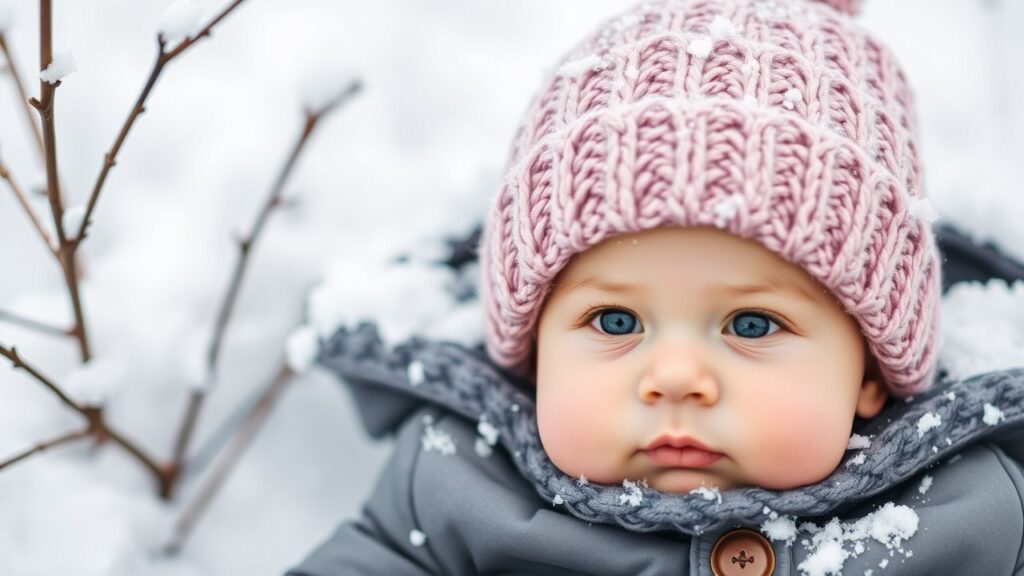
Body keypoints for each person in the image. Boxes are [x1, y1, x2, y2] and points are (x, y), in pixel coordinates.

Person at [287, 0, 1024, 574]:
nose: (674, 378)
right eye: (613, 321)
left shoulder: (975, 513)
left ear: (869, 371)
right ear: (536, 351)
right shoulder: (454, 487)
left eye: (752, 325)